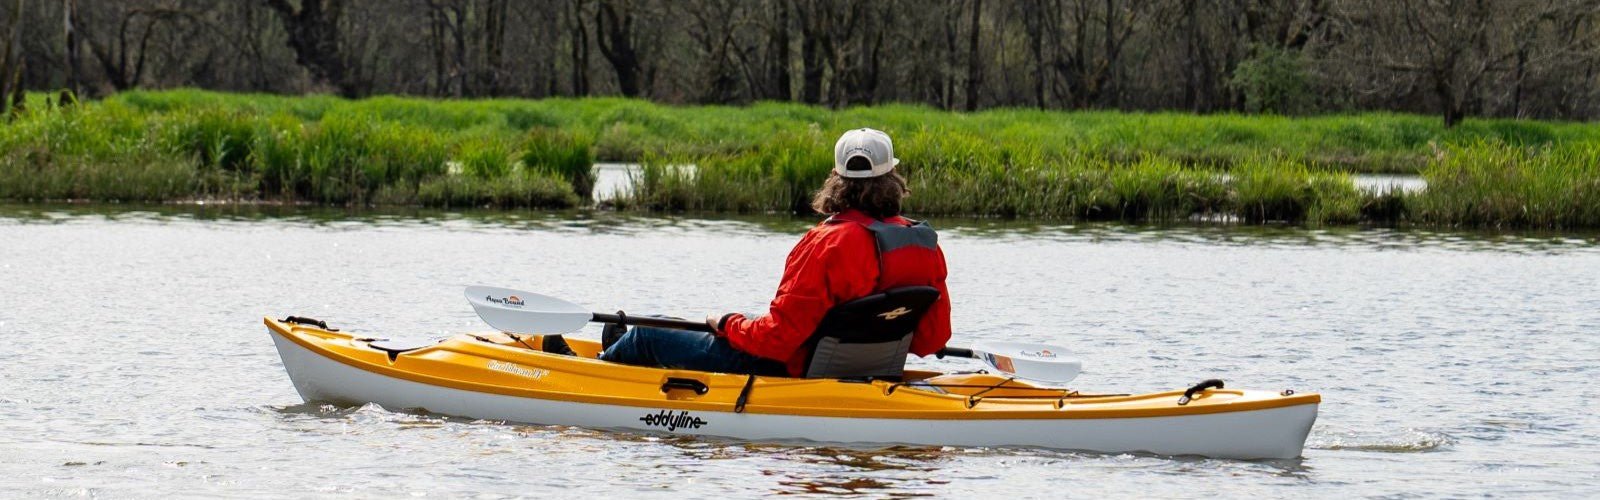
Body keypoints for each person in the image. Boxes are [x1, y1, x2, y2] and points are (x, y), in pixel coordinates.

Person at [546, 128, 952, 377]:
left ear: (837, 181)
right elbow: (932, 339)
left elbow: (777, 342)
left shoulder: (827, 243)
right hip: (868, 368)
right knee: (667, 326)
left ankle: (595, 369)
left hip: (789, 370)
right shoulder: (924, 243)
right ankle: (615, 347)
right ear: (893, 180)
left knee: (651, 333)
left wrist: (727, 322)